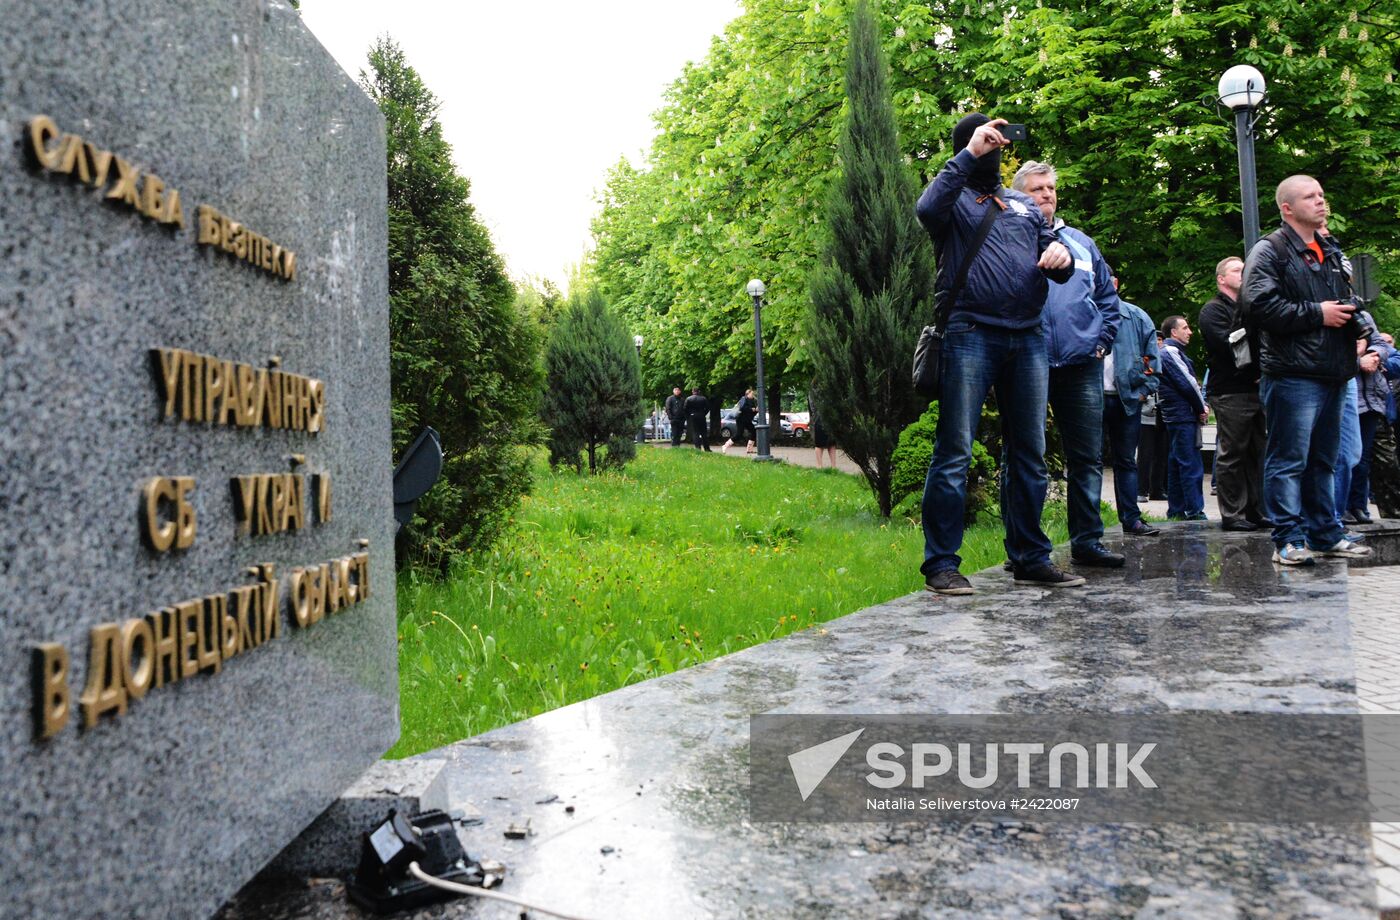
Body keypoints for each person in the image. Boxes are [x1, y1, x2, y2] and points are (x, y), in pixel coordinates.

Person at [914, 113, 1078, 595]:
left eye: (997, 141)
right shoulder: (954, 199)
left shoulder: (1023, 204)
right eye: (986, 141)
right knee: (955, 451)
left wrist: (1061, 259)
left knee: (1030, 452)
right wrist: (969, 153)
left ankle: (1030, 556)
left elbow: (1056, 254)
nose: (995, 148)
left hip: (1026, 335)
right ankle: (942, 565)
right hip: (970, 331)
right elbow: (926, 208)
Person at [1239, 175, 1370, 564]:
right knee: (1288, 459)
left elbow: (1342, 298)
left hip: (1334, 371)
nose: (1320, 201)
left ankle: (1325, 534)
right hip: (1293, 373)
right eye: (1310, 196)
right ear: (1287, 208)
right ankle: (1287, 541)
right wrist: (1318, 314)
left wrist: (1352, 315)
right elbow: (1257, 306)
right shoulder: (1270, 250)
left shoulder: (1329, 248)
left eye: (1322, 195)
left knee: (1324, 461)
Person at [1009, 161, 1123, 567]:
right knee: (1025, 457)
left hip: (1081, 364)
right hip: (1028, 361)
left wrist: (1100, 342)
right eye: (1038, 188)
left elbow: (1109, 301)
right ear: (1021, 194)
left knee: (1087, 458)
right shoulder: (1009, 238)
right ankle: (1022, 548)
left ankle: (1087, 543)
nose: (1047, 195)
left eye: (1051, 188)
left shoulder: (1081, 243)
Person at [1198, 256, 1268, 531]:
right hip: (1230, 391)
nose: (1243, 274)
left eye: (1245, 270)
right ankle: (1233, 513)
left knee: (1256, 451)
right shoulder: (1212, 311)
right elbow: (1230, 346)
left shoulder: (1251, 309)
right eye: (1237, 270)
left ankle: (1255, 510)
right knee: (1233, 451)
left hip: (1256, 388)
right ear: (1221, 278)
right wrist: (1257, 364)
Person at [1102, 276, 1161, 536]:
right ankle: (1090, 526)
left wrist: (1143, 391)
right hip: (1090, 398)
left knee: (1126, 460)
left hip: (1127, 399)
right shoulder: (1082, 312)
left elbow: (1152, 360)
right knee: (1088, 463)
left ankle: (1132, 519)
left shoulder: (1136, 317)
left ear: (1113, 282)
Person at [1157, 315, 1207, 521]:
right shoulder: (1170, 352)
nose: (1190, 332)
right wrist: (1201, 407)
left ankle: (1176, 509)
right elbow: (1188, 383)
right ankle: (1195, 510)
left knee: (1177, 463)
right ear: (1173, 332)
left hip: (1178, 415)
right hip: (1182, 415)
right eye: (1185, 328)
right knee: (1190, 464)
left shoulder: (1170, 352)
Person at [723, 388, 758, 454]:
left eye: (753, 394)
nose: (753, 395)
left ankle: (749, 449)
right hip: (741, 420)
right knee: (739, 434)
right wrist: (751, 409)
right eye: (752, 394)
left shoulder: (753, 401)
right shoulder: (743, 399)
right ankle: (725, 446)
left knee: (754, 432)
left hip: (748, 420)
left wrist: (756, 410)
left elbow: (752, 413)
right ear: (747, 394)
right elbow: (742, 408)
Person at [684, 387, 711, 451]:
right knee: (704, 433)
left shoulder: (689, 399)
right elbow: (707, 408)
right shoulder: (703, 398)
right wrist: (703, 413)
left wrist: (689, 415)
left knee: (695, 432)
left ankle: (698, 448)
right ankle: (707, 448)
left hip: (693, 416)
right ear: (699, 391)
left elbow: (685, 408)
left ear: (692, 391)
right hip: (701, 416)